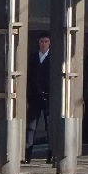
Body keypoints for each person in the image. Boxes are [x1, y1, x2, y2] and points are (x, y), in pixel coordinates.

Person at [25, 30, 56, 160]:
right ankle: (27, 154)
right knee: (31, 126)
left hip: (49, 98)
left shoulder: (54, 58)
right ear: (38, 43)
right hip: (35, 97)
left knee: (50, 127)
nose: (43, 44)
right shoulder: (33, 58)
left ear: (50, 43)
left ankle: (51, 154)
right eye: (41, 42)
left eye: (46, 41)